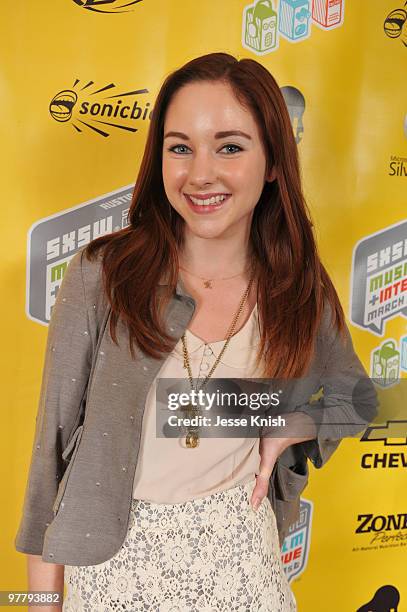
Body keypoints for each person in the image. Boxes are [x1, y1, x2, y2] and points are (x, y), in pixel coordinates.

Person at [15, 52, 378, 611]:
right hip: (115, 572)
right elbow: (50, 458)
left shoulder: (298, 287)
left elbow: (361, 397)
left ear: (274, 161)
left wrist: (298, 421)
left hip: (244, 565)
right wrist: (36, 606)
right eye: (180, 147)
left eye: (229, 147)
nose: (200, 173)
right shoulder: (101, 275)